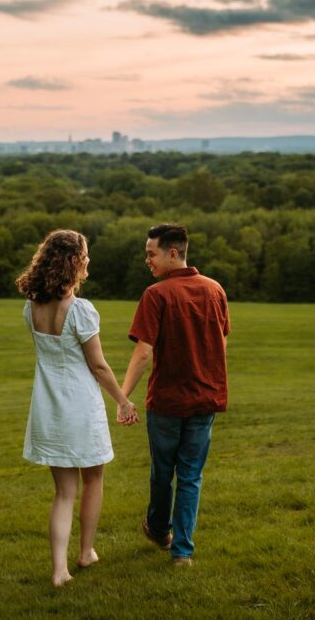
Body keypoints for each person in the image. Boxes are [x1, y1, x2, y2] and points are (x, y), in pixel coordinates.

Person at [16, 229, 139, 588]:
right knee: (94, 479)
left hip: (49, 408)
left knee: (63, 493)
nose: (88, 261)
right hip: (81, 406)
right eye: (85, 255)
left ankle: (59, 571)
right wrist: (123, 400)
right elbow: (98, 366)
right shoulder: (80, 310)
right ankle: (85, 553)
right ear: (73, 261)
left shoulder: (32, 306)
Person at [119, 224, 230, 567]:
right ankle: (182, 552)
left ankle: (157, 529)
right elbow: (221, 343)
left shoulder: (156, 294)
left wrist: (122, 397)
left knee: (162, 472)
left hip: (167, 401)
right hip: (205, 399)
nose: (147, 260)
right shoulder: (214, 289)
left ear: (172, 253)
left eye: (151, 253)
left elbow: (143, 352)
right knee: (191, 475)